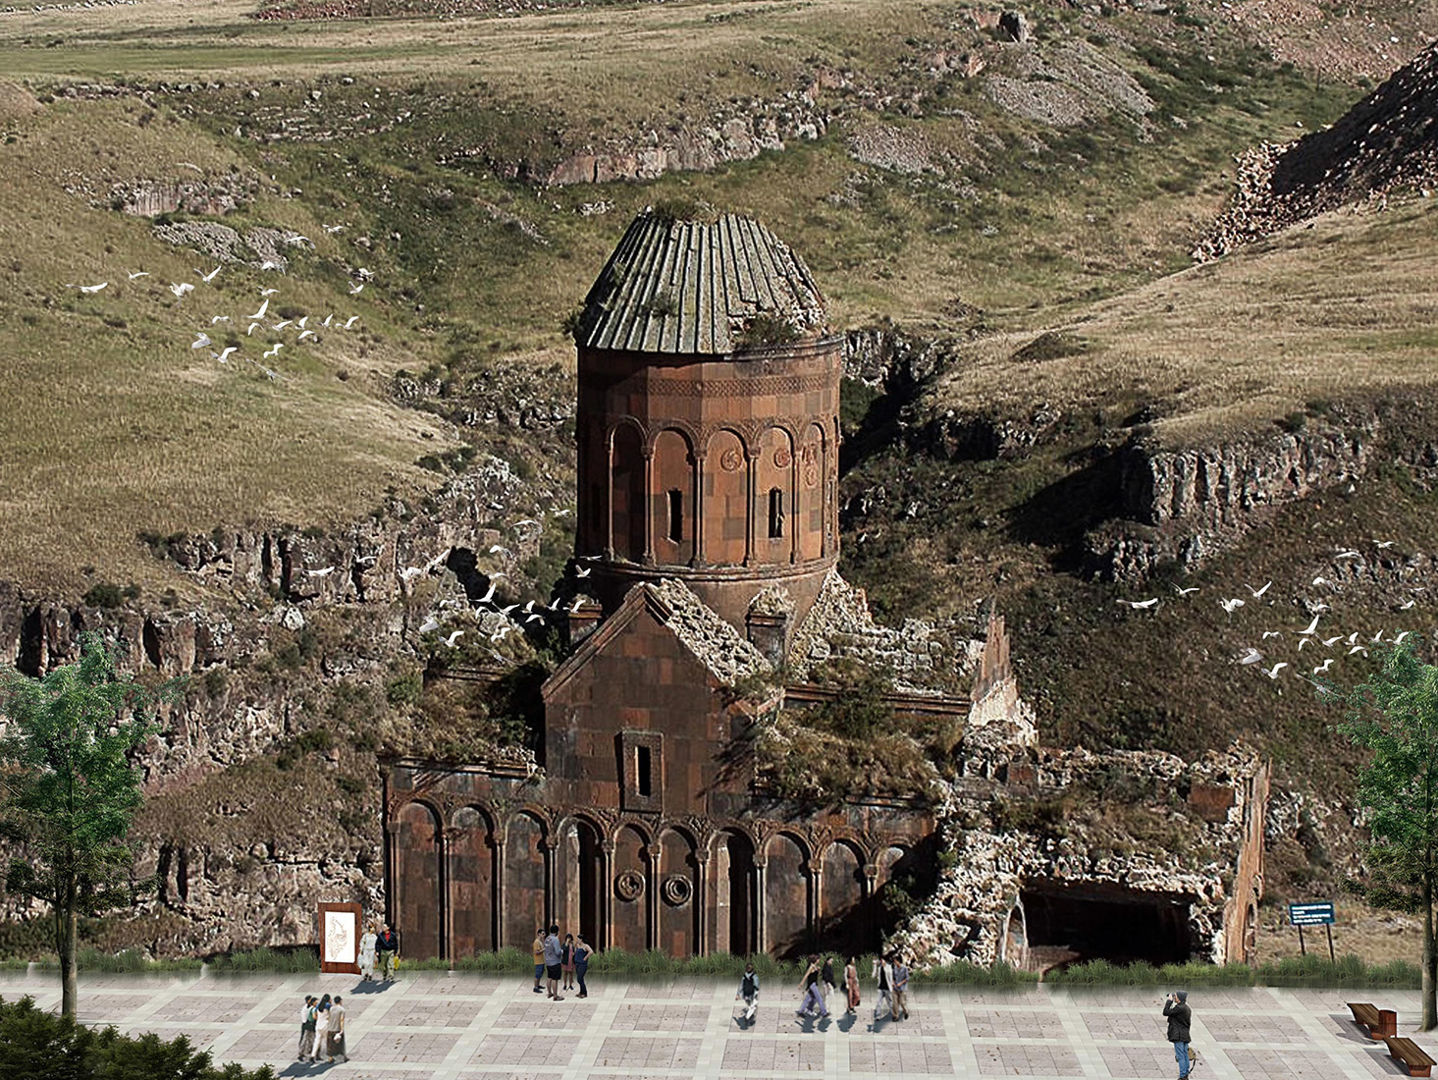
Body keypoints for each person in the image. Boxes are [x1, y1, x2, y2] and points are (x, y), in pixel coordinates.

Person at [1163, 990, 1194, 1079]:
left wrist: (1169, 1001)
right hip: (1184, 1035)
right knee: (1185, 1055)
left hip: (1178, 1036)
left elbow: (1166, 1012)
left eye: (1175, 996)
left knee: (1180, 1056)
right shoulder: (1186, 1008)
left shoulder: (1179, 1008)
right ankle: (1185, 1073)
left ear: (1180, 998)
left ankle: (1182, 1075)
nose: (1174, 997)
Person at [797, 955, 828, 1019]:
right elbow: (806, 975)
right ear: (816, 960)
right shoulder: (811, 967)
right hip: (812, 985)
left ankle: (802, 1011)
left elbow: (817, 975)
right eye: (818, 959)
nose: (819, 960)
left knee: (810, 999)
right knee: (819, 998)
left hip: (814, 984)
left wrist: (818, 970)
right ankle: (824, 1013)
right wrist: (801, 984)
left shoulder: (814, 966)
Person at [543, 924, 565, 1000]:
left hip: (548, 961)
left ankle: (549, 993)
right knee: (555, 979)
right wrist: (562, 951)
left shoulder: (547, 938)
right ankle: (555, 996)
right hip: (555, 962)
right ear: (557, 932)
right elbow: (558, 952)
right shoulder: (555, 939)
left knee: (549, 977)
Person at [872, 953, 893, 1022]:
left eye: (883, 960)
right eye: (881, 960)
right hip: (880, 987)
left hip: (887, 988)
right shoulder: (879, 968)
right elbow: (873, 976)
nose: (882, 961)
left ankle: (894, 1013)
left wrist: (892, 987)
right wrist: (874, 966)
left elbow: (890, 977)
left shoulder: (888, 967)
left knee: (889, 1002)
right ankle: (878, 1016)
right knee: (879, 1002)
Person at [327, 995, 348, 1064]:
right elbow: (341, 1020)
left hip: (330, 1028)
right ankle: (344, 1057)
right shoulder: (342, 1010)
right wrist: (342, 1029)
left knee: (330, 1044)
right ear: (340, 1001)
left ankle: (330, 1058)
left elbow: (329, 1017)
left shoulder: (331, 1008)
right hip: (337, 1029)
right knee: (340, 1043)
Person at [297, 995, 317, 1062]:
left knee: (312, 1039)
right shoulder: (305, 1009)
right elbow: (304, 1020)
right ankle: (301, 1054)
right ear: (308, 1001)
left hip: (311, 1025)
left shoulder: (312, 1007)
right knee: (304, 1039)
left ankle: (311, 1052)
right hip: (307, 1025)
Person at [573, 932, 592, 999]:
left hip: (582, 964)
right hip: (577, 964)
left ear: (581, 940)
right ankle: (581, 992)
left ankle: (585, 993)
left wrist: (585, 958)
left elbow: (591, 952)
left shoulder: (585, 946)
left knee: (579, 979)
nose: (577, 940)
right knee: (580, 979)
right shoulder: (577, 946)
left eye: (578, 939)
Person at [312, 994, 331, 1061]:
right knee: (326, 1041)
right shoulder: (328, 1005)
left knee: (317, 1041)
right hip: (325, 1025)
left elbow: (314, 1015)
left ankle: (313, 1055)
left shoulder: (318, 1005)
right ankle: (329, 1056)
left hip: (318, 1025)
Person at [892, 955, 910, 1020]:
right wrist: (893, 983)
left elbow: (907, 978)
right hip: (895, 988)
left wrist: (901, 983)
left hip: (902, 988)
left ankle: (906, 1012)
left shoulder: (904, 968)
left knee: (902, 1002)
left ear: (898, 961)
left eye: (895, 961)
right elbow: (893, 977)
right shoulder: (894, 968)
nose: (894, 962)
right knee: (895, 1003)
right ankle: (895, 1016)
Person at [532, 928, 546, 994]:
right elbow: (536, 952)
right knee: (537, 974)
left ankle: (538, 985)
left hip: (542, 961)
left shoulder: (540, 942)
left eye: (544, 934)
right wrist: (544, 949)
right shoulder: (536, 942)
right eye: (542, 934)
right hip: (538, 961)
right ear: (539, 934)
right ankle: (535, 988)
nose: (544, 935)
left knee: (540, 973)